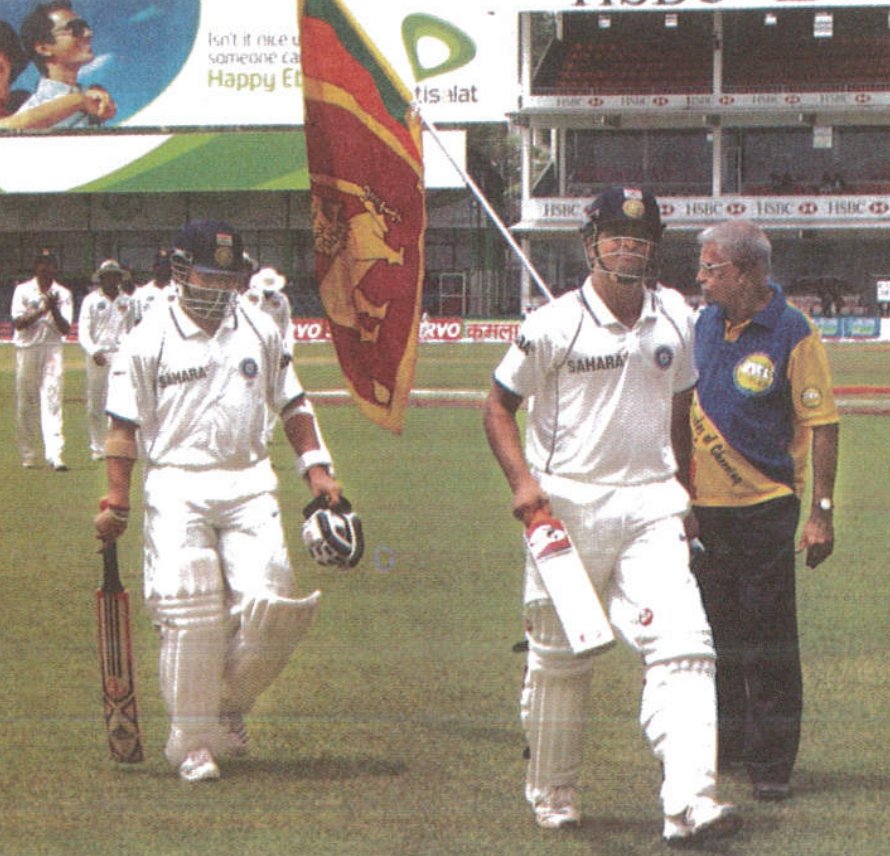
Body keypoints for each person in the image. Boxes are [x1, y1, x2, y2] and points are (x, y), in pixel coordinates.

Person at [483, 186, 741, 847]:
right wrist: (523, 486)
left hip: (652, 504)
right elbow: (496, 408)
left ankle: (689, 800)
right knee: (559, 663)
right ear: (589, 242)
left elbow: (681, 410)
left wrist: (684, 496)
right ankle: (554, 793)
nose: (628, 248)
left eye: (641, 238)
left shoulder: (676, 317)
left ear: (656, 248)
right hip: (565, 506)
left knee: (687, 646)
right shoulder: (552, 323)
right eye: (615, 237)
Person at [93, 219, 352, 783]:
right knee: (192, 610)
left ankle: (223, 709)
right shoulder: (147, 338)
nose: (219, 285)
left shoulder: (259, 327)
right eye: (208, 273)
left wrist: (318, 470)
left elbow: (294, 404)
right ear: (183, 273)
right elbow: (122, 426)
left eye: (228, 274)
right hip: (178, 483)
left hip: (248, 481)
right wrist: (116, 497)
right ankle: (193, 745)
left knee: (274, 605)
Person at [689, 219, 840, 802]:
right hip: (703, 512)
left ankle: (772, 764)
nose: (702, 278)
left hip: (766, 509)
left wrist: (821, 512)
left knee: (769, 639)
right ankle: (724, 747)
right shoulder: (703, 323)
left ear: (749, 272)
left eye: (713, 268)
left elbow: (823, 427)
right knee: (712, 638)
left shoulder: (792, 331)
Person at [11, 247, 72, 471]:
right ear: (35, 266)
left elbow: (65, 328)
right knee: (26, 402)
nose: (45, 267)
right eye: (41, 263)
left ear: (55, 267)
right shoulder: (23, 290)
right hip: (27, 349)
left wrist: (54, 309)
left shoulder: (63, 293)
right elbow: (18, 323)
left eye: (49, 263)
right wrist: (43, 309)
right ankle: (28, 454)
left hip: (52, 349)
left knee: (53, 401)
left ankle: (55, 454)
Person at [0, 18, 113, 129]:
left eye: (0, 69)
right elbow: (7, 127)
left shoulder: (26, 104)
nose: (88, 34)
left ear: (9, 76)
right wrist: (79, 100)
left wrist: (96, 103)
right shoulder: (65, 105)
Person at [77, 258, 135, 460]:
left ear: (119, 278)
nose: (111, 279)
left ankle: (112, 445)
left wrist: (128, 353)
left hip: (120, 355)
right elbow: (84, 331)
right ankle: (96, 447)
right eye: (107, 275)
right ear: (101, 278)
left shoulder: (127, 301)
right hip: (98, 355)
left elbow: (131, 331)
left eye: (115, 275)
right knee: (95, 403)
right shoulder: (90, 300)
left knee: (118, 401)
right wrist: (94, 351)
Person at [134, 249, 175, 322]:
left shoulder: (178, 291)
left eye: (166, 265)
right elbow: (136, 321)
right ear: (154, 267)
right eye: (159, 265)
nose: (163, 269)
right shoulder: (141, 293)